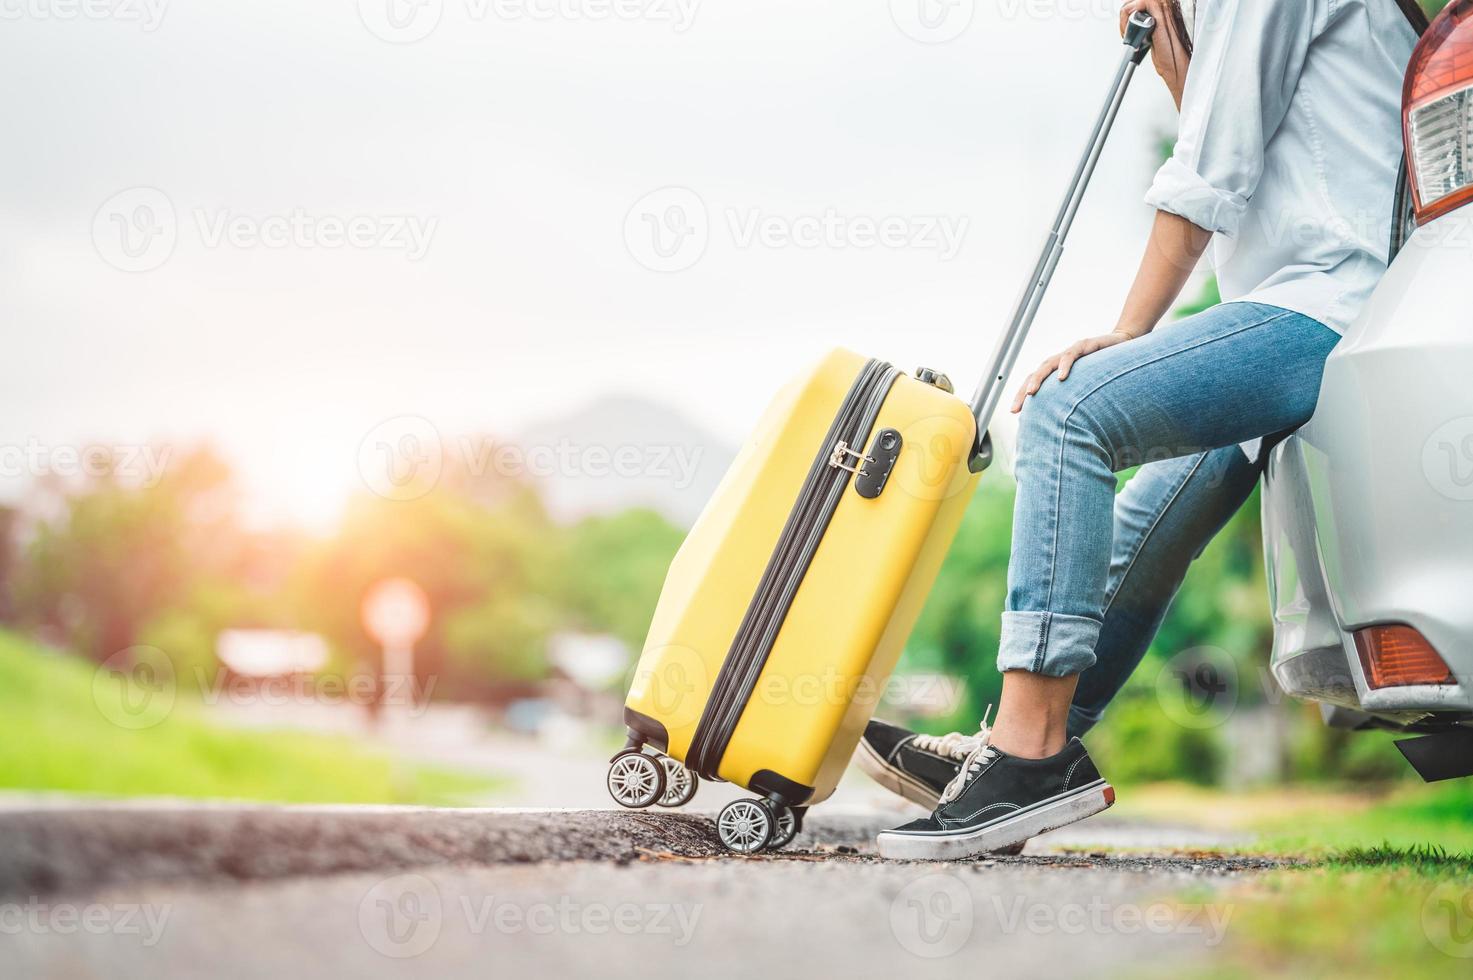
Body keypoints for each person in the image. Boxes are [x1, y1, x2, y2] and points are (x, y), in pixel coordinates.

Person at [859, 0, 1423, 860]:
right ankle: (1019, 749)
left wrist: (1131, 330)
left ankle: (1027, 756)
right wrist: (1172, 62)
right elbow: (1253, 124)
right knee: (1152, 519)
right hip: (1294, 299)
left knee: (1069, 408)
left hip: (1329, 302)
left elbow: (1211, 167)